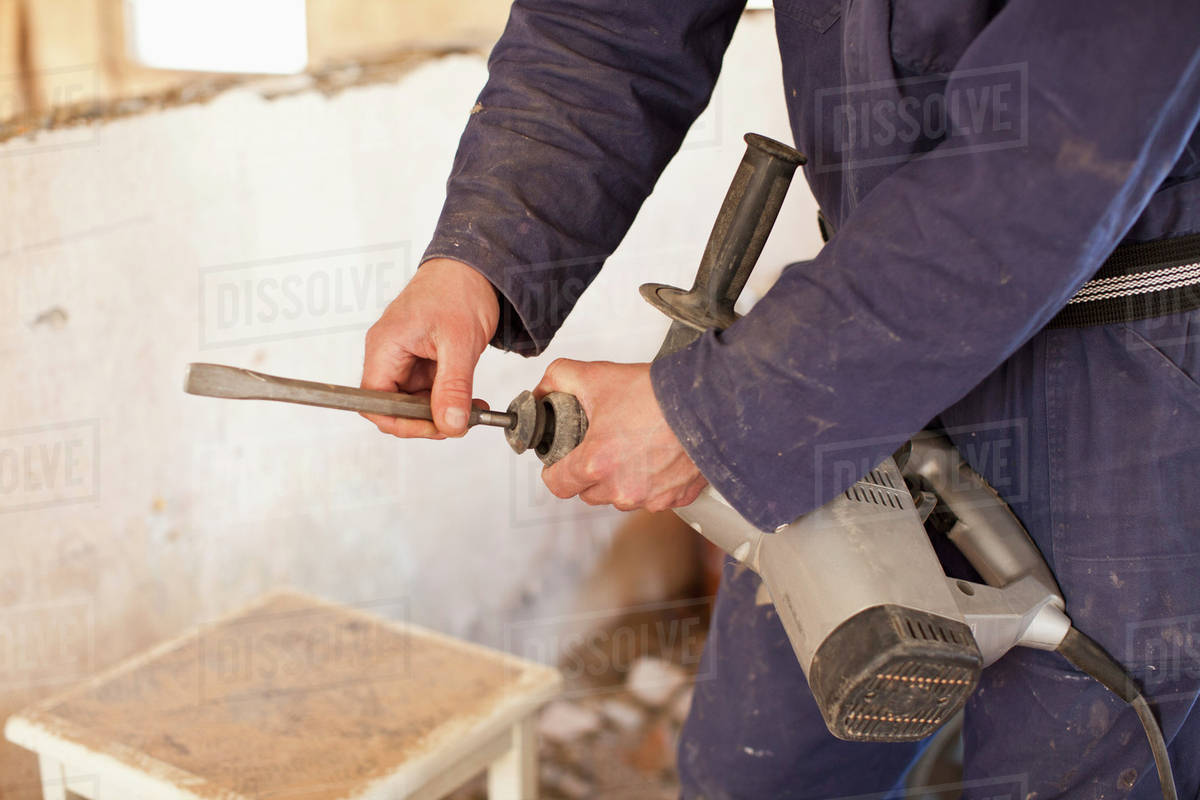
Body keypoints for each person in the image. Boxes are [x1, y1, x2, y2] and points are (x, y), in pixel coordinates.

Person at [361, 2, 1200, 796]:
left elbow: (1061, 142)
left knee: (1081, 760)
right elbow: (608, 23)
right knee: (758, 773)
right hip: (850, 343)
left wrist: (713, 416)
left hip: (1123, 364)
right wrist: (480, 253)